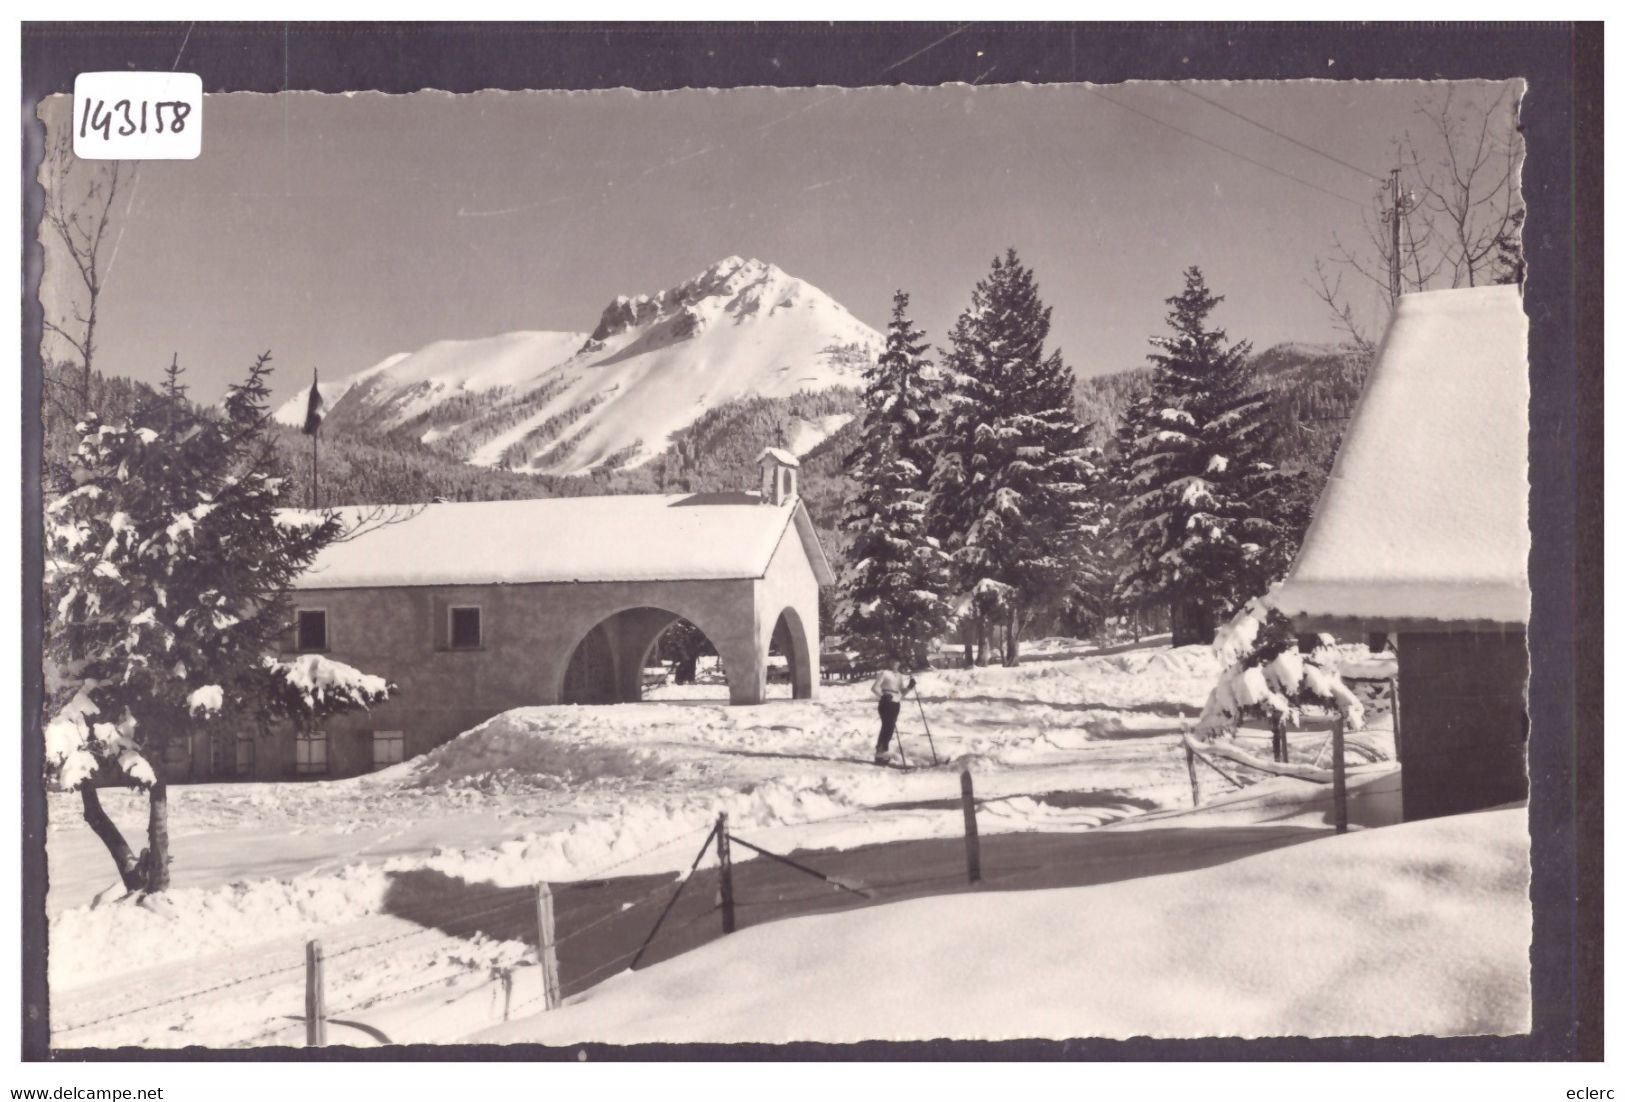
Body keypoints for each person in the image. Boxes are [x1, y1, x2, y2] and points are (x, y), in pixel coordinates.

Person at [870, 665, 915, 765]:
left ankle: (883, 753)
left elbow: (902, 693)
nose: (895, 664)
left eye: (897, 661)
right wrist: (883, 696)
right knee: (887, 726)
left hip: (896, 703)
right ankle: (880, 752)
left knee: (890, 728)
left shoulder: (899, 676)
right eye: (892, 661)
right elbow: (874, 688)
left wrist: (909, 687)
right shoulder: (884, 673)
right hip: (885, 702)